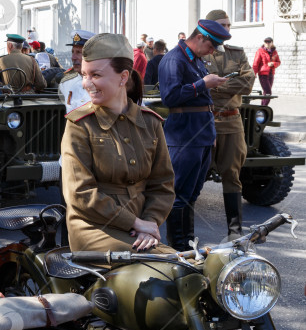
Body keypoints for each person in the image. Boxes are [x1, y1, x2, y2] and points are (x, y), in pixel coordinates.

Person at [61, 33, 175, 253]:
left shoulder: (150, 122)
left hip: (140, 230)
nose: (86, 84)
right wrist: (134, 222)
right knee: (166, 269)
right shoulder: (80, 125)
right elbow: (80, 193)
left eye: (95, 75)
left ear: (123, 77)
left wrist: (148, 223)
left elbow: (162, 184)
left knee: (186, 272)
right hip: (94, 228)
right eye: (84, 75)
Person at [158, 20, 230, 251]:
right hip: (184, 135)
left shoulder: (195, 59)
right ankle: (178, 247)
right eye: (211, 46)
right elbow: (170, 97)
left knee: (192, 193)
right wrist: (203, 84)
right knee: (179, 193)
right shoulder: (174, 59)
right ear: (199, 37)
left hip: (201, 134)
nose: (213, 51)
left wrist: (211, 133)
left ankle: (187, 244)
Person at [204, 10, 255, 240]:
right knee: (193, 175)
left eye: (228, 24)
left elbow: (247, 82)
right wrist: (227, 83)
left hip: (232, 122)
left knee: (232, 175)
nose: (227, 29)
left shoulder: (237, 53)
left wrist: (214, 85)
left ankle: (235, 233)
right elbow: (195, 84)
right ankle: (183, 235)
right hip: (205, 120)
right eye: (222, 25)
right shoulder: (199, 54)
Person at [59, 29, 96, 112]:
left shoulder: (101, 84)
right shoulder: (65, 83)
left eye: (79, 52)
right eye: (73, 52)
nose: (73, 57)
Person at [253, 37, 280, 106]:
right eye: (266, 42)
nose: (267, 43)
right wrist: (254, 73)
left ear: (272, 43)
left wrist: (273, 64)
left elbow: (278, 62)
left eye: (269, 42)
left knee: (266, 93)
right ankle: (264, 108)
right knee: (268, 92)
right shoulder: (260, 51)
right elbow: (256, 63)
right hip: (263, 74)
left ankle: (262, 109)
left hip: (271, 74)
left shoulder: (274, 52)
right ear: (264, 43)